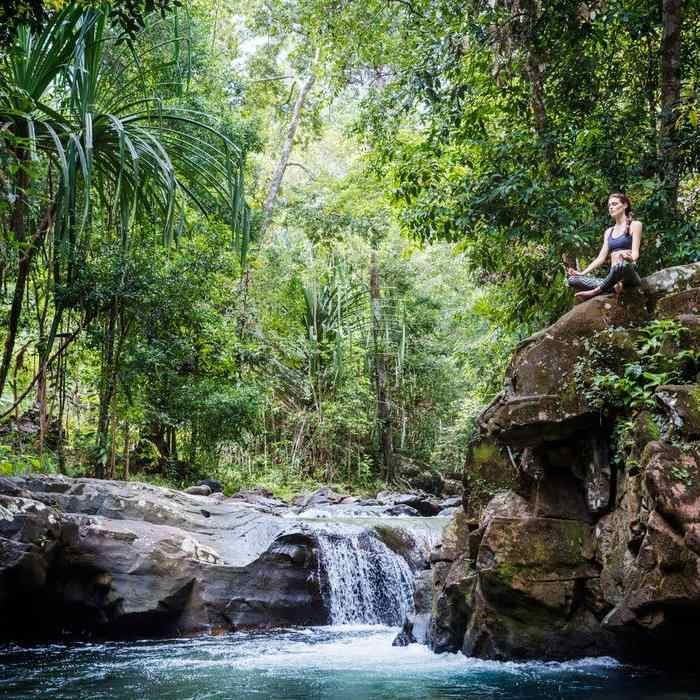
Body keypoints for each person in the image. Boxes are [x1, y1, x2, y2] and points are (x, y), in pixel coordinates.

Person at [566, 193, 643, 300]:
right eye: (609, 205)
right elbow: (600, 258)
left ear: (625, 205)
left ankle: (596, 291)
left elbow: (635, 253)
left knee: (622, 265)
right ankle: (611, 286)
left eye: (615, 204)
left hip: (628, 274)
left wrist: (629, 258)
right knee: (572, 280)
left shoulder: (635, 225)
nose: (611, 207)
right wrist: (582, 273)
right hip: (612, 278)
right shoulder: (608, 232)